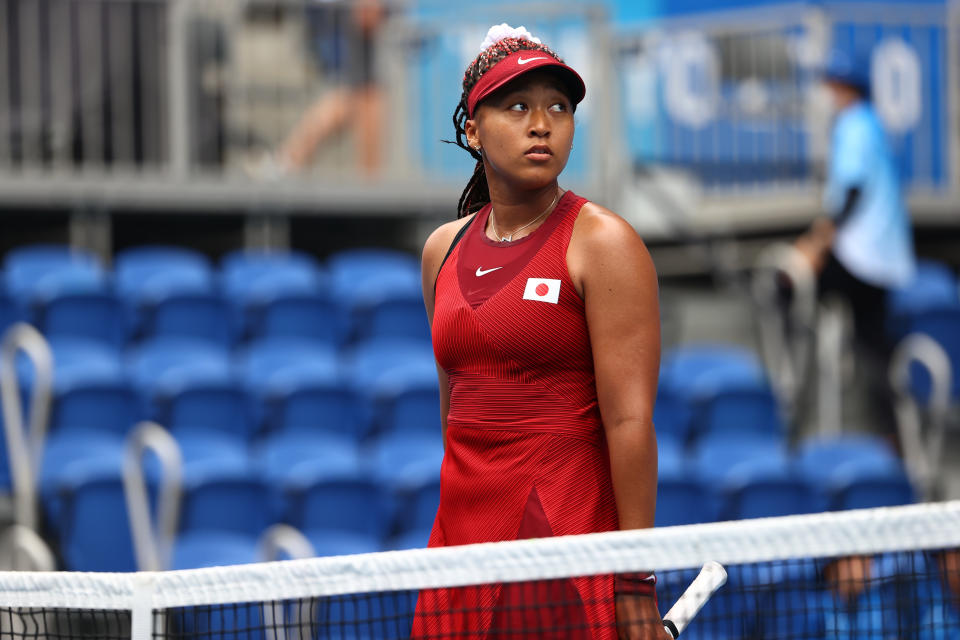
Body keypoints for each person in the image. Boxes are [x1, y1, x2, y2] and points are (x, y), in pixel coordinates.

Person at [414, 24, 666, 640]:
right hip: (457, 546)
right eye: (517, 105)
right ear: (472, 130)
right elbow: (456, 414)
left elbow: (630, 424)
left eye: (559, 106)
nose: (542, 123)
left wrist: (635, 583)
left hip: (561, 538)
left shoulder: (604, 242)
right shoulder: (440, 251)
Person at [795, 48, 916, 438]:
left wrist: (817, 244)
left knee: (787, 286)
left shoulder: (853, 125)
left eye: (833, 85)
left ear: (845, 89)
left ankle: (800, 389)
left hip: (860, 254)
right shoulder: (872, 124)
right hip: (882, 257)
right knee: (875, 347)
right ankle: (895, 438)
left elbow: (850, 192)